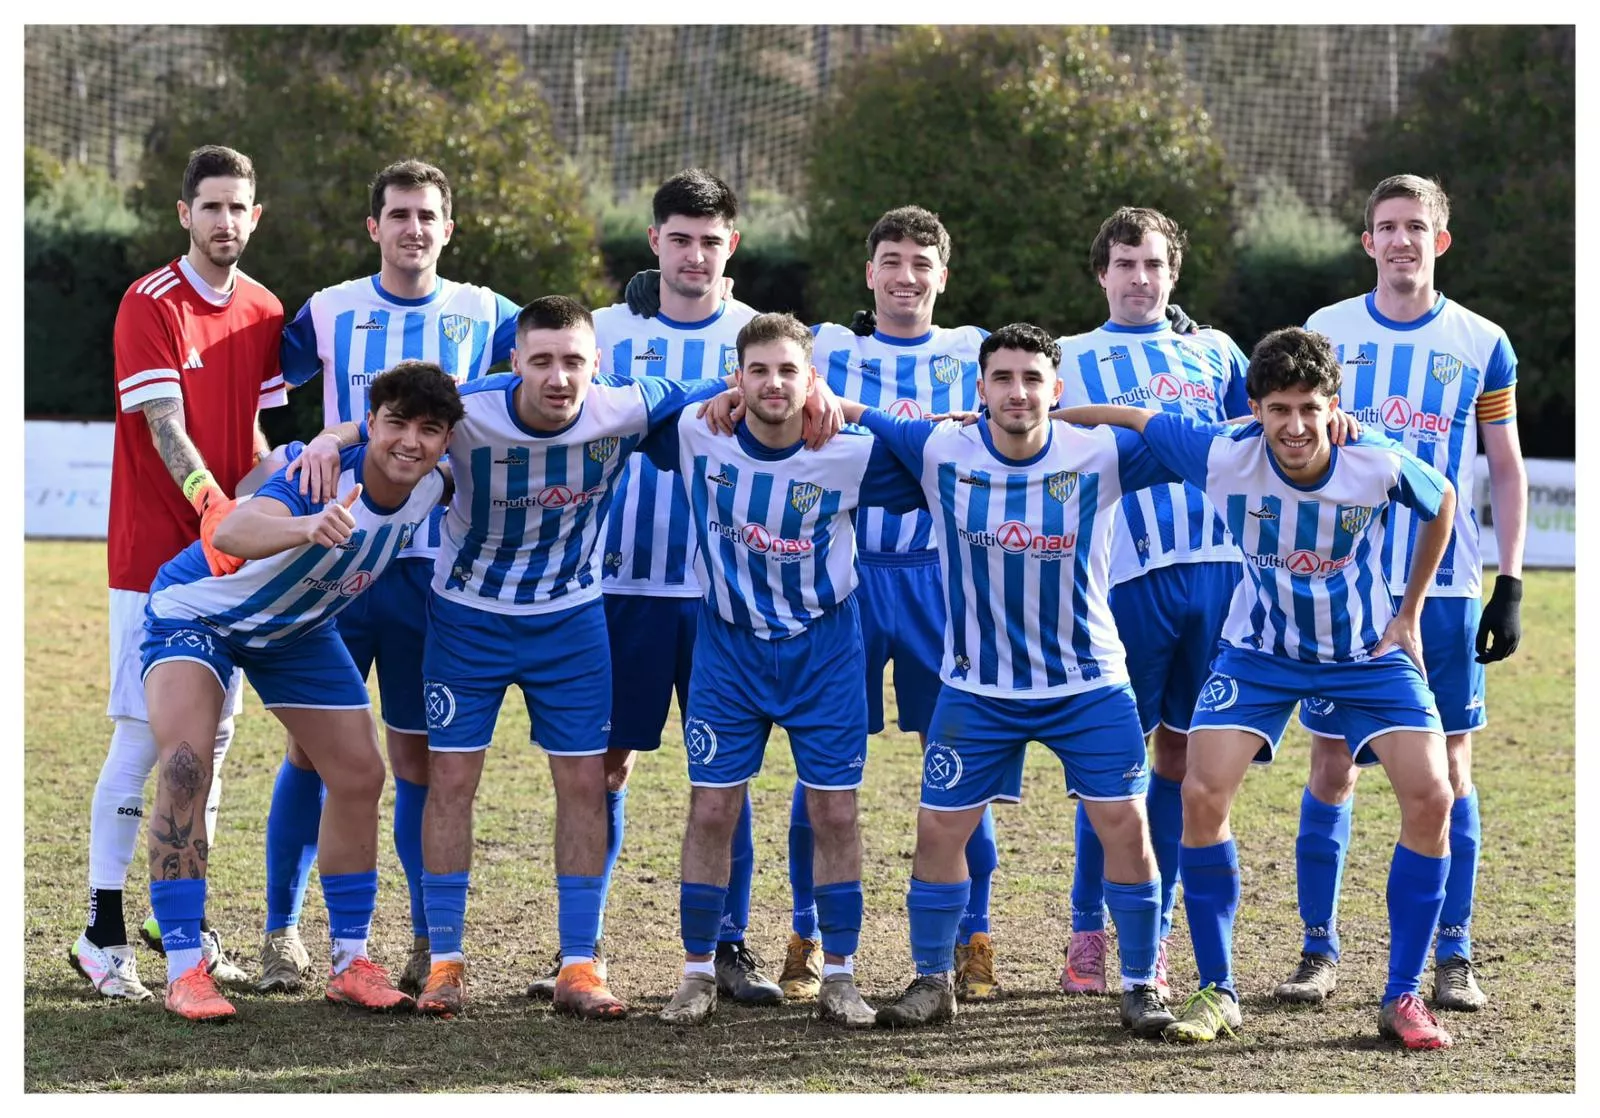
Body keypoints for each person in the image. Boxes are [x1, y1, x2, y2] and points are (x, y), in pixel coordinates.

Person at [290, 296, 835, 1019]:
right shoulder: (468, 412)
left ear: (596, 364)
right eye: (540, 360)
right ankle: (446, 960)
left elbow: (745, 389)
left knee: (584, 783)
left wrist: (822, 390)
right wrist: (333, 435)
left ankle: (580, 963)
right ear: (513, 362)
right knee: (450, 778)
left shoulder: (624, 408)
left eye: (573, 361)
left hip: (571, 623)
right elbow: (396, 419)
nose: (557, 376)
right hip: (467, 620)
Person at [1058, 325, 1462, 1051]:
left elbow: (1443, 503)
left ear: (1332, 406)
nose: (1296, 426)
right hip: (1258, 652)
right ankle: (1218, 990)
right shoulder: (1222, 451)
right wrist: (1016, 420)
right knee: (1200, 793)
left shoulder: (1372, 459)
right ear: (1254, 409)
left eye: (1310, 407)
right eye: (1279, 409)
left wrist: (1410, 614)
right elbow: (1131, 418)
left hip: (1365, 653)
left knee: (1433, 795)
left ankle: (1402, 994)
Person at [843, 322, 1181, 1038]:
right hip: (978, 688)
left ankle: (1141, 982)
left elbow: (1205, 441)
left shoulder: (1099, 453)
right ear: (981, 390)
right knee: (938, 831)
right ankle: (934, 980)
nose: (1018, 392)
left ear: (1055, 391)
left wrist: (1106, 413)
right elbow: (850, 413)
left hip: (1088, 682)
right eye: (1003, 378)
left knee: (1125, 824)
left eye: (1033, 379)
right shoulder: (941, 449)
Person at [263, 158, 521, 996]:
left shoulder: (487, 314)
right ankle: (280, 932)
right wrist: (283, 455)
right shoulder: (329, 310)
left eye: (428, 216)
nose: (414, 228)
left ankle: (420, 933)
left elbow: (558, 379)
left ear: (450, 228)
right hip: (333, 566)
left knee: (416, 760)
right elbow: (257, 389)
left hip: (432, 573)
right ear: (373, 226)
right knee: (312, 754)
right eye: (399, 214)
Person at [142, 360, 462, 1021]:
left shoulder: (436, 482)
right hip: (197, 614)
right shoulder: (319, 476)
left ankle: (350, 962)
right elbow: (231, 531)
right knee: (184, 770)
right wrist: (306, 525)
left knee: (358, 773)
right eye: (395, 424)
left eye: (429, 430)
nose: (411, 442)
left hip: (296, 631)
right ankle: (184, 970)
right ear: (371, 424)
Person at [1278, 175, 1527, 1015]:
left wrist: (1512, 581)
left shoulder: (1482, 340)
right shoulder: (1326, 332)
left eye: (1416, 227)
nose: (1401, 241)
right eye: (1386, 227)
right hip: (1340, 583)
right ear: (1367, 242)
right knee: (1331, 764)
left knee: (1452, 771)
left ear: (1440, 241)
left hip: (1448, 588)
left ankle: (1453, 955)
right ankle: (1318, 948)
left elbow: (1504, 462)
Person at [524, 169, 772, 1006]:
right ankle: (580, 951)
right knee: (602, 768)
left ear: (730, 246)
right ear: (655, 242)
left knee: (724, 777)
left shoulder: (762, 336)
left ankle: (728, 946)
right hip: (615, 586)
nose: (694, 255)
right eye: (679, 239)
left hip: (723, 594)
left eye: (710, 241)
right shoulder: (607, 334)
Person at [642, 313, 922, 1027]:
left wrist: (854, 407)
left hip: (824, 650)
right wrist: (712, 390)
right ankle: (697, 972)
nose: (773, 384)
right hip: (729, 650)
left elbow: (933, 454)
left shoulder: (848, 451)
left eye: (788, 371)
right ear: (738, 377)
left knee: (835, 810)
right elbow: (627, 401)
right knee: (712, 808)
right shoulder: (695, 431)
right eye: (757, 370)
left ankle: (841, 975)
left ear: (811, 380)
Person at [72, 143, 283, 1001]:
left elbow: (258, 440)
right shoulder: (148, 303)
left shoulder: (267, 308)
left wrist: (282, 495)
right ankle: (101, 927)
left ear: (255, 216)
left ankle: (175, 914)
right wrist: (212, 507)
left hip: (230, 560)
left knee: (215, 743)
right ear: (183, 214)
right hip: (155, 561)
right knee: (144, 738)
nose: (225, 221)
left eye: (239, 207)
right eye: (211, 207)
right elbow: (167, 427)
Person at [1054, 207, 1250, 999]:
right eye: (1126, 263)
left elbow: (1259, 434)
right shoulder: (1069, 356)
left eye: (1155, 264)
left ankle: (1155, 929)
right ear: (1101, 271)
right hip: (1122, 578)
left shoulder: (1216, 351)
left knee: (1181, 757)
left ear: (1175, 274)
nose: (1141, 278)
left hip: (1219, 575)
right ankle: (1087, 934)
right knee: (1112, 763)